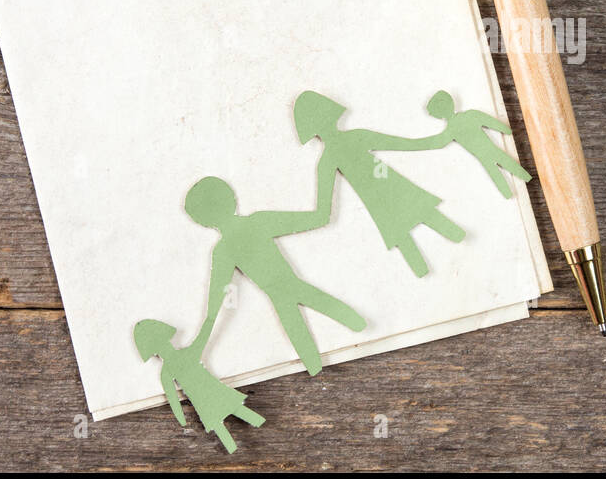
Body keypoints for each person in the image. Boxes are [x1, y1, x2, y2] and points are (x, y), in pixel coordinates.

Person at [185, 176, 366, 376]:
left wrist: (202, 337)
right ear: (231, 199)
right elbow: (316, 218)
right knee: (328, 316)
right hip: (288, 288)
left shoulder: (223, 250)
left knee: (303, 337)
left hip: (280, 293)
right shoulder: (257, 222)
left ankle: (321, 364)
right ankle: (356, 330)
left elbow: (215, 302)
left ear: (202, 220)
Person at [294, 90, 463, 278]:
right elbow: (404, 144)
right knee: (420, 213)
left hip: (379, 195)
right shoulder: (350, 141)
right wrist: (437, 140)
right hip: (385, 186)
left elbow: (322, 212)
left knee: (410, 224)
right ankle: (451, 245)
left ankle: (433, 263)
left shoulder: (327, 160)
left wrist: (305, 221)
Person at [133, 317, 264, 454]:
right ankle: (241, 443)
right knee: (233, 413)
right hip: (210, 395)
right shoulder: (184, 356)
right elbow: (203, 336)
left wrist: (182, 419)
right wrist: (211, 314)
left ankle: (237, 447)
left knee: (224, 421)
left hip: (205, 399)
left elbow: (173, 399)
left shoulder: (167, 371)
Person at [424, 90, 531, 198]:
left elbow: (435, 142)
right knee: (507, 164)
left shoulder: (450, 131)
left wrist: (409, 144)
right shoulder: (470, 115)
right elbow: (491, 122)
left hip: (484, 155)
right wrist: (506, 130)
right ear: (451, 102)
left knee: (496, 173)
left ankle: (509, 193)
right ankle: (524, 181)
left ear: (438, 114)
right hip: (491, 150)